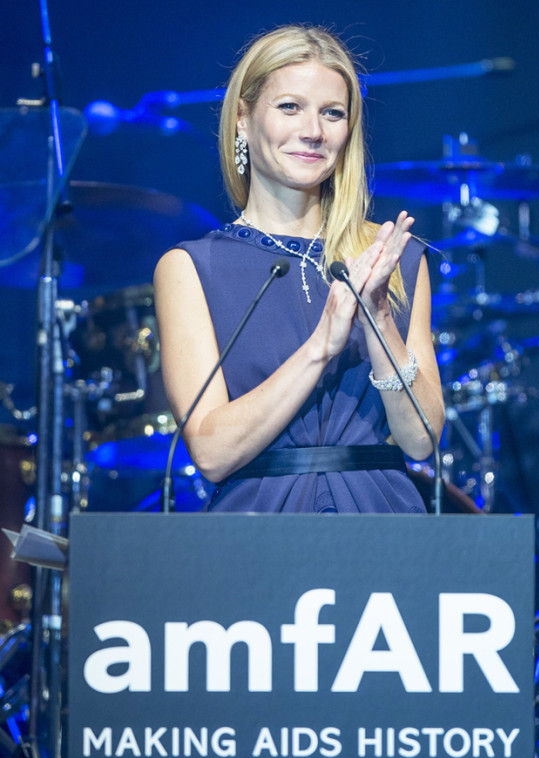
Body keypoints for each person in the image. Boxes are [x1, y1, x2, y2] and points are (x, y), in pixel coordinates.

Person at [154, 24, 445, 513]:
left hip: (385, 525)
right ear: (243, 119)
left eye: (332, 113)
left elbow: (420, 441)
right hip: (256, 532)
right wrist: (320, 347)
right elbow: (211, 453)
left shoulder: (394, 257)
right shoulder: (191, 267)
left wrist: (378, 319)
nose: (313, 130)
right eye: (290, 107)